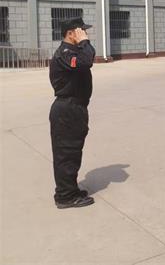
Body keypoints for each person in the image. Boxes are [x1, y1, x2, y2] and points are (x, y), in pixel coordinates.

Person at [48, 17, 96, 209]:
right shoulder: (65, 53)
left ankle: (70, 189)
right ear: (71, 33)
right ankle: (65, 197)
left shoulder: (73, 52)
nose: (85, 34)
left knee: (73, 152)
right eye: (81, 31)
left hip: (75, 108)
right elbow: (87, 61)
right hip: (67, 110)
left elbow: (86, 58)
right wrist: (84, 42)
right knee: (66, 153)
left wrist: (83, 43)